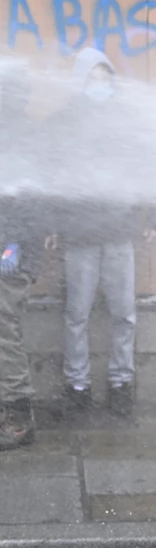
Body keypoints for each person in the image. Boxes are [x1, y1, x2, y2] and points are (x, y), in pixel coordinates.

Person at [51, 48, 156, 418]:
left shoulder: (126, 120)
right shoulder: (64, 122)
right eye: (93, 79)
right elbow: (52, 177)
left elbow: (152, 164)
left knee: (124, 313)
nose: (99, 85)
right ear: (81, 81)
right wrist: (51, 225)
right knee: (76, 314)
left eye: (105, 78)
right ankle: (77, 386)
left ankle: (121, 383)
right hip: (78, 234)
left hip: (120, 231)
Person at [0, 61, 43, 447]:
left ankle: (17, 413)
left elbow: (33, 199)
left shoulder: (27, 135)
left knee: (2, 322)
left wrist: (14, 241)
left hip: (13, 252)